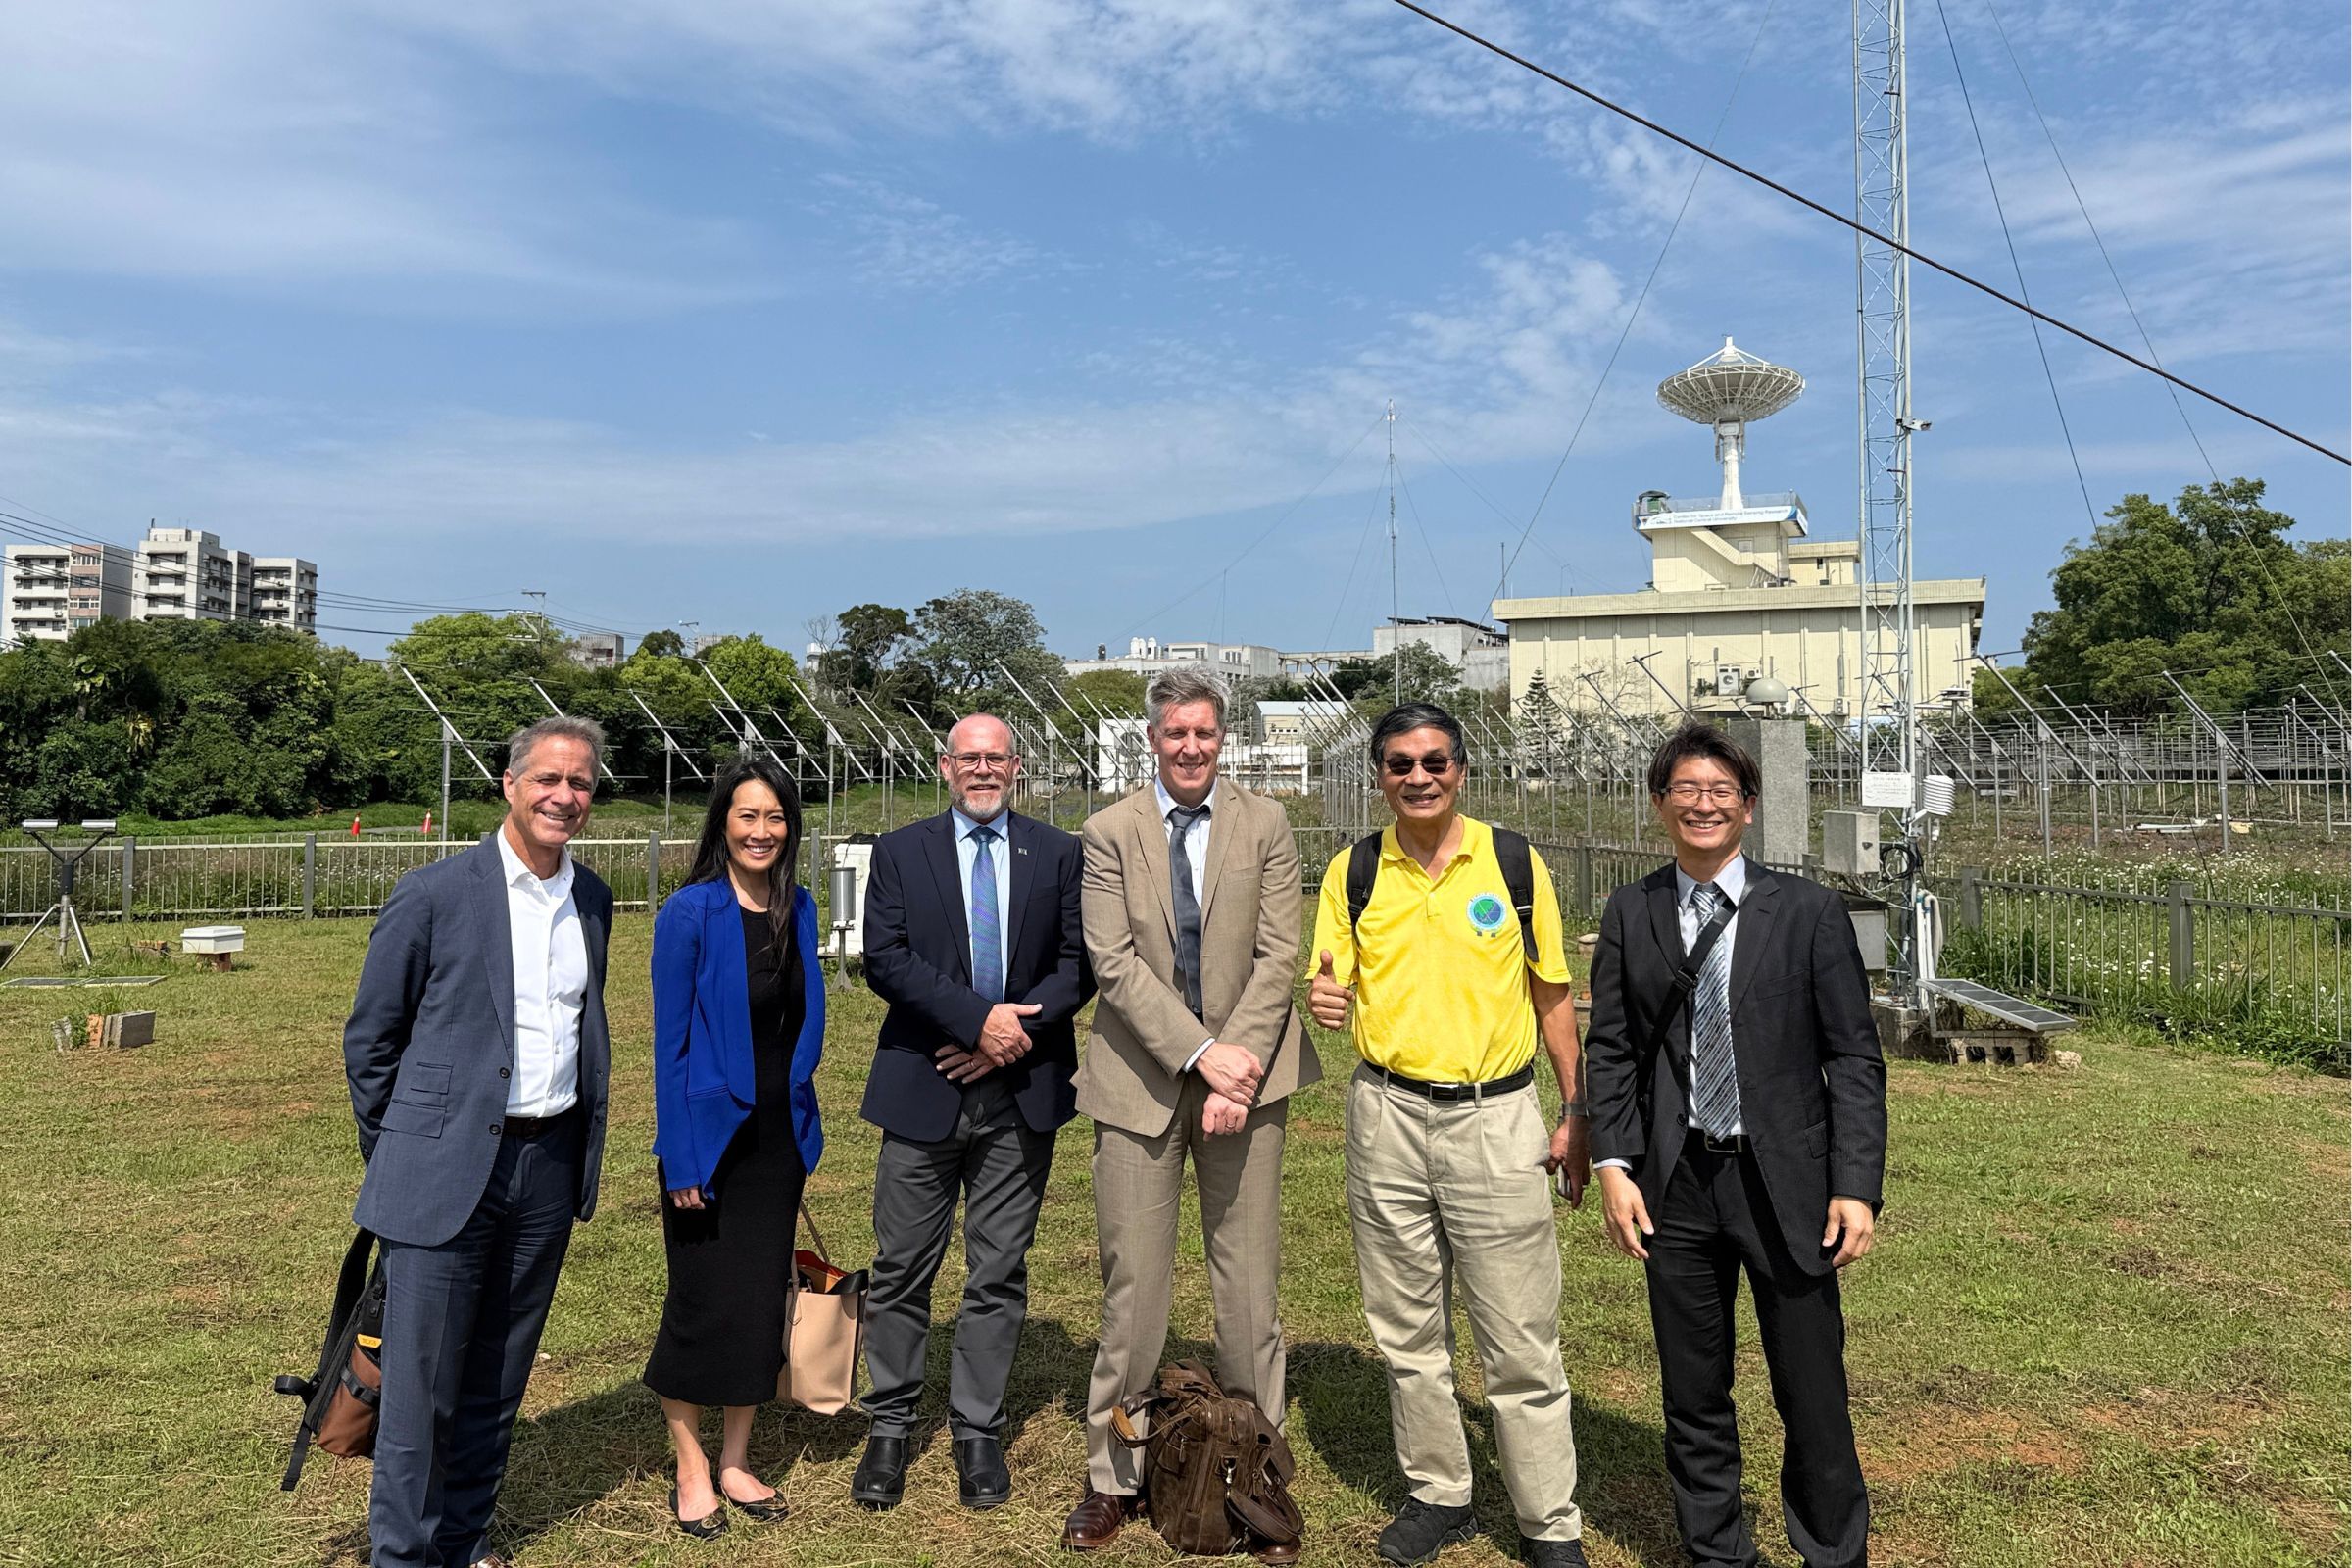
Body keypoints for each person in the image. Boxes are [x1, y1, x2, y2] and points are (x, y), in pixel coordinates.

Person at [1585, 721, 1886, 1568]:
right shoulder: (1633, 910)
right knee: (1693, 1388)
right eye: (1686, 789)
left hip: (1785, 1182)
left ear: (1748, 808)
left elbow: (1853, 1058)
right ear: (1660, 804)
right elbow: (1612, 1047)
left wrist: (1854, 1184)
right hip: (1675, 1182)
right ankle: (1717, 1552)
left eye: (1721, 791)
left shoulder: (1808, 912)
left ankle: (1833, 1552)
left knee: (1812, 1388)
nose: (1704, 804)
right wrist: (1614, 1163)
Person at [1306, 704, 1592, 1568]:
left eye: (1435, 761)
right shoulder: (1354, 871)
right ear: (1380, 777)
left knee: (1519, 1334)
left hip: (1494, 1118)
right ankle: (1440, 1492)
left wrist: (1576, 1111)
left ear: (1462, 771)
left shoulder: (1513, 863)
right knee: (1406, 1328)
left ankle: (1548, 1522)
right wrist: (1325, 1001)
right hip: (1385, 1115)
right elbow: (1332, 981)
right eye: (1400, 764)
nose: (1419, 777)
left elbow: (1552, 994)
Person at [343, 716, 614, 1568]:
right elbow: (371, 1041)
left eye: (580, 783)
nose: (563, 796)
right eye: (548, 779)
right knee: (420, 1387)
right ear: (510, 784)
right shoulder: (434, 893)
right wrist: (406, 1152)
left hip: (549, 1162)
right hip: (444, 1168)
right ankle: (404, 1555)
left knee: (499, 1374)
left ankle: (463, 1541)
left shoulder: (593, 899)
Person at [1062, 666, 1319, 1563]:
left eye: (1204, 732)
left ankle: (1255, 1475)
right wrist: (1202, 1056)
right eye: (1175, 732)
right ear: (1152, 740)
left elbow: (1280, 954)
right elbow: (1114, 962)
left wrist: (1234, 1070)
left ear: (1224, 737)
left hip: (1250, 1081)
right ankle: (1113, 1476)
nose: (1190, 747)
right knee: (1133, 1293)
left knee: (1247, 1293)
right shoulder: (1108, 832)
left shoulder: (1267, 823)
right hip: (1139, 1081)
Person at [849, 712, 1093, 1511]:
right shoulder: (900, 851)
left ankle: (976, 1429)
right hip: (923, 1083)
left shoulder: (1057, 853)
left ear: (1017, 766)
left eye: (996, 757)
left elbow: (1077, 965)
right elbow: (886, 958)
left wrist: (1007, 1038)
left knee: (998, 1269)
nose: (982, 769)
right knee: (901, 1266)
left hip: (1020, 1090)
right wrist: (975, 1022)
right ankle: (890, 1425)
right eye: (969, 757)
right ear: (944, 765)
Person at [644, 757, 827, 1539]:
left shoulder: (799, 906)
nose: (762, 831)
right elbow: (670, 1047)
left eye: (775, 817)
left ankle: (736, 1459)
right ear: (723, 822)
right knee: (700, 1302)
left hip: (778, 1142)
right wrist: (683, 1157)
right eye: (747, 815)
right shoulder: (690, 913)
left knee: (757, 1302)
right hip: (710, 1145)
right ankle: (690, 1466)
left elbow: (800, 1020)